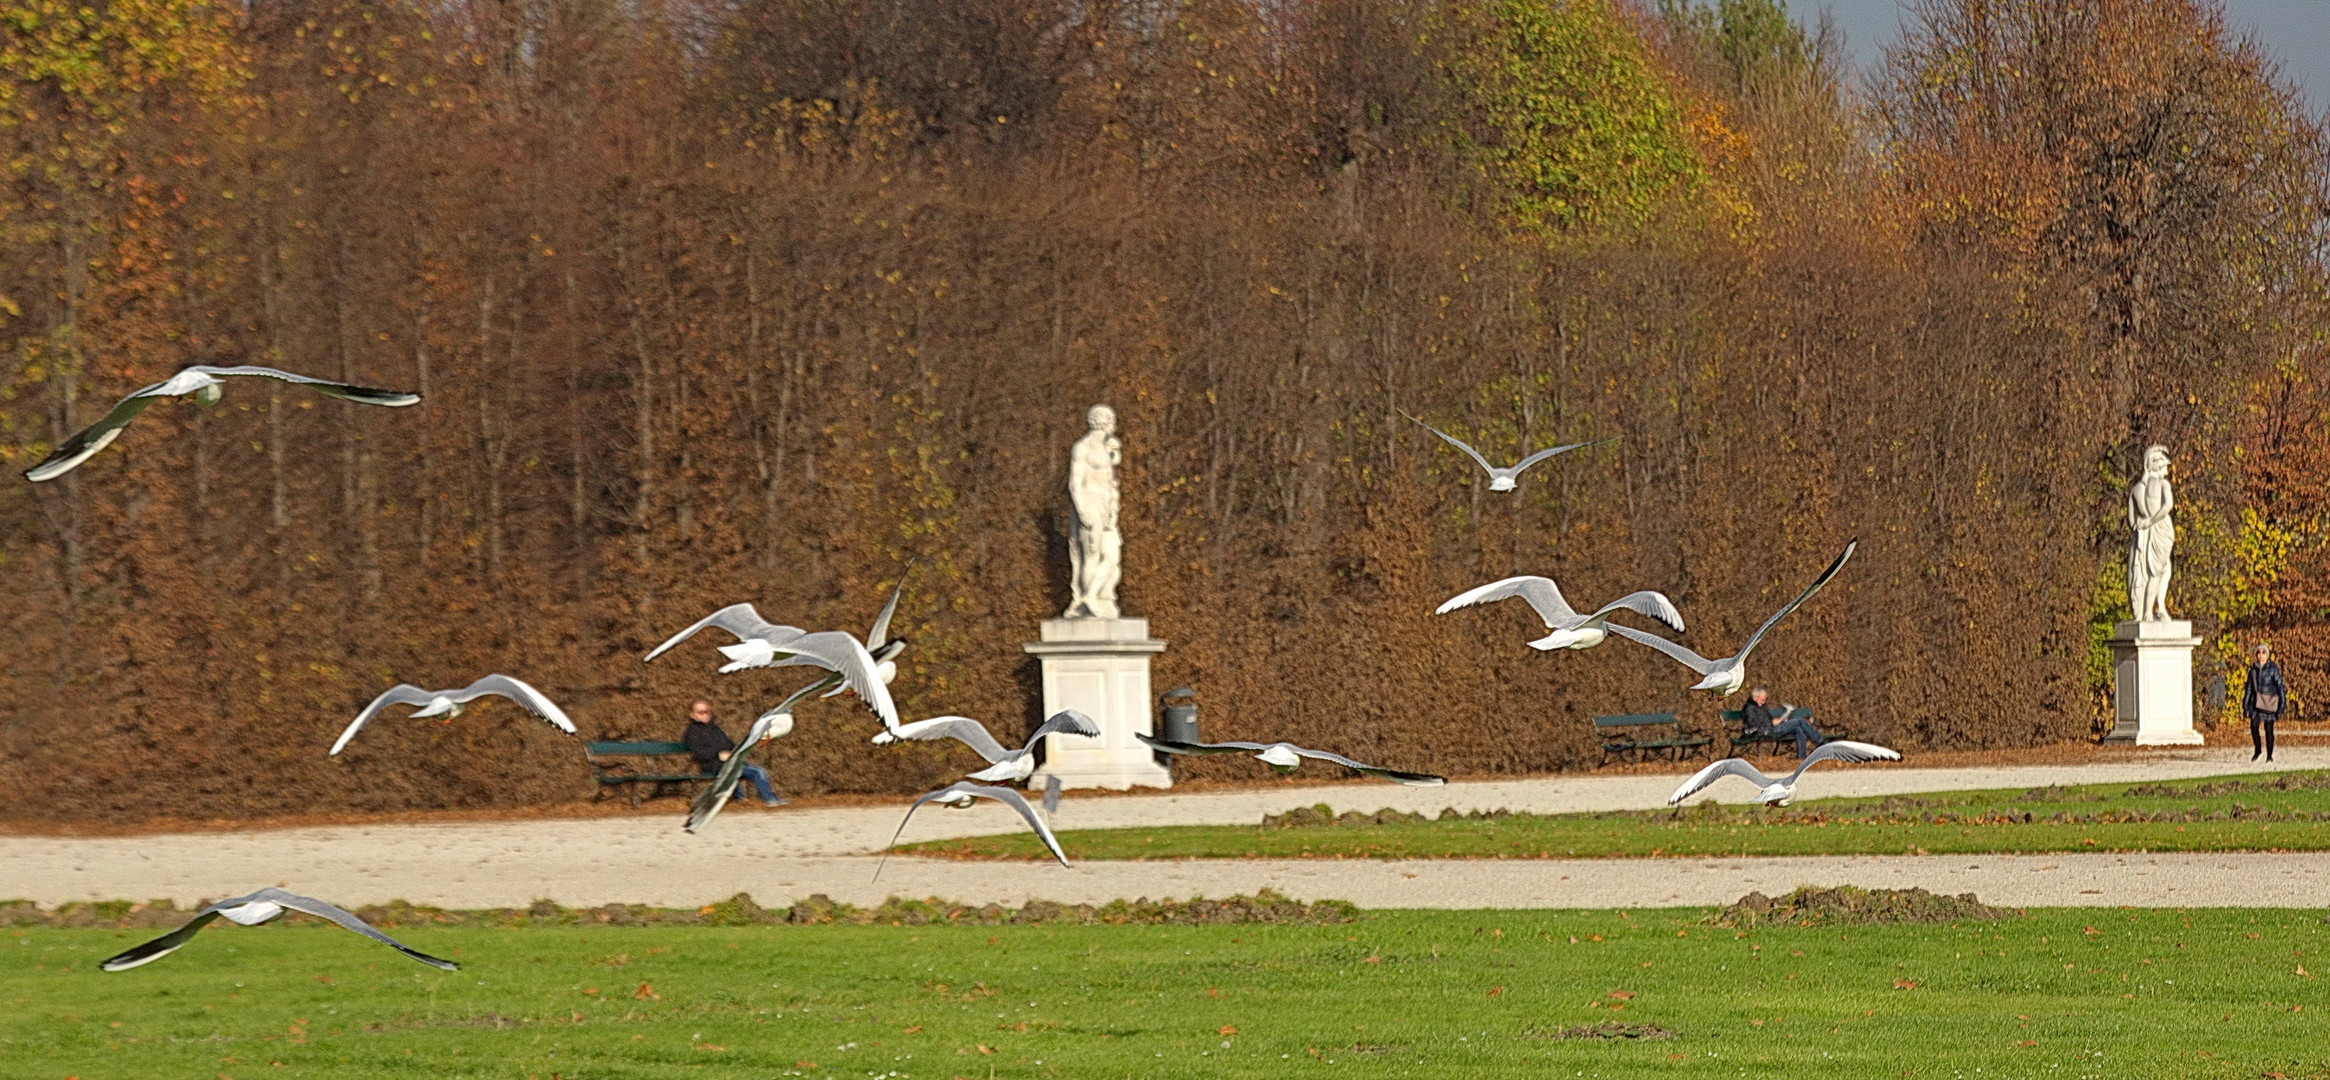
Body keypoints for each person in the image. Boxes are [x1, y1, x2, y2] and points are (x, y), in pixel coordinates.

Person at [682, 700, 782, 806]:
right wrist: (718, 755)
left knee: (753, 769)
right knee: (757, 772)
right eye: (701, 712)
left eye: (707, 712)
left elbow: (730, 745)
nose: (705, 714)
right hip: (712, 766)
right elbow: (699, 754)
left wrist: (731, 753)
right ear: (693, 715)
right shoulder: (692, 733)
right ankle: (770, 800)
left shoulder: (715, 729)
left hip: (728, 764)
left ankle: (742, 798)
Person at [1741, 686, 1826, 758]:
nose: (1764, 702)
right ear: (1755, 697)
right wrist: (1771, 723)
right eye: (1762, 699)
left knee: (1798, 729)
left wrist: (1775, 721)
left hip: (1771, 728)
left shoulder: (1761, 706)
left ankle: (1802, 757)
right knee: (1799, 721)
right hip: (1766, 731)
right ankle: (1819, 742)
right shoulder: (1749, 708)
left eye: (1765, 699)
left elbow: (1767, 719)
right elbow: (1752, 723)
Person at [2244, 643, 2286, 763]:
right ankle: (2258, 750)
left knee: (2269, 730)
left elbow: (2280, 686)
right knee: (2254, 726)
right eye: (2259, 652)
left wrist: (2282, 704)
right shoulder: (2252, 671)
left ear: (2267, 655)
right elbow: (2249, 689)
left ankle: (2269, 756)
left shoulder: (2273, 669)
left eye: (2263, 652)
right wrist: (2245, 705)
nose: (2261, 655)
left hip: (2269, 704)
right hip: (2256, 704)